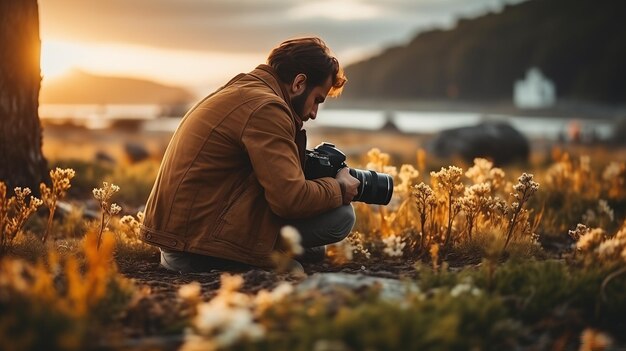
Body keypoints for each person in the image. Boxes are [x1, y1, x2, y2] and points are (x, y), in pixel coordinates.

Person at [139, 37, 360, 272]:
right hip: (193, 248)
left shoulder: (244, 91)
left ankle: (253, 252)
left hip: (181, 234)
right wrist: (339, 188)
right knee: (341, 217)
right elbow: (290, 200)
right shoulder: (267, 109)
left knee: (315, 251)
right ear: (299, 83)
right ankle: (229, 260)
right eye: (317, 100)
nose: (314, 113)